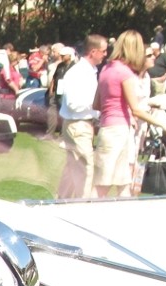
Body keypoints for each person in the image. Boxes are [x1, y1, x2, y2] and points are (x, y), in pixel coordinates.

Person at [92, 30, 166, 197]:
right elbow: (136, 109)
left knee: (122, 182)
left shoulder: (106, 69)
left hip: (107, 128)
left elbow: (97, 104)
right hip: (120, 131)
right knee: (104, 185)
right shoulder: (125, 73)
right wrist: (164, 125)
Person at [57, 34, 108, 199]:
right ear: (93, 52)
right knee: (86, 169)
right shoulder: (78, 72)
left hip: (82, 124)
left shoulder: (89, 71)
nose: (105, 54)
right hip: (77, 124)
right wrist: (97, 106)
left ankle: (59, 203)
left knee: (72, 170)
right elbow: (73, 104)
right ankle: (82, 205)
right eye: (103, 51)